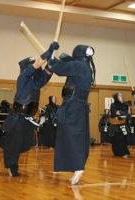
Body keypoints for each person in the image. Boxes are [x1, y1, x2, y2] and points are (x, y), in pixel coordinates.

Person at [0, 42, 57, 177]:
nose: (35, 68)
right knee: (14, 145)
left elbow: (47, 72)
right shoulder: (23, 77)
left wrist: (52, 59)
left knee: (25, 145)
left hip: (28, 119)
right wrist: (48, 51)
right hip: (17, 118)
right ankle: (12, 167)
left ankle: (3, 141)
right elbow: (37, 64)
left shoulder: (36, 82)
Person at [47, 44, 96, 185]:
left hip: (74, 106)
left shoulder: (79, 65)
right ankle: (76, 167)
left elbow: (58, 68)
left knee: (72, 137)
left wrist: (51, 56)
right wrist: (53, 56)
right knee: (72, 136)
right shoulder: (85, 66)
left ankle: (79, 167)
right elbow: (62, 65)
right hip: (77, 106)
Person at [109, 93, 131, 158]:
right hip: (115, 125)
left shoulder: (125, 105)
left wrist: (127, 114)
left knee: (123, 138)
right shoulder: (113, 105)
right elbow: (115, 112)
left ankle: (124, 152)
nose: (121, 98)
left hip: (122, 124)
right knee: (116, 139)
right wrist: (123, 113)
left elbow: (127, 112)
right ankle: (118, 152)